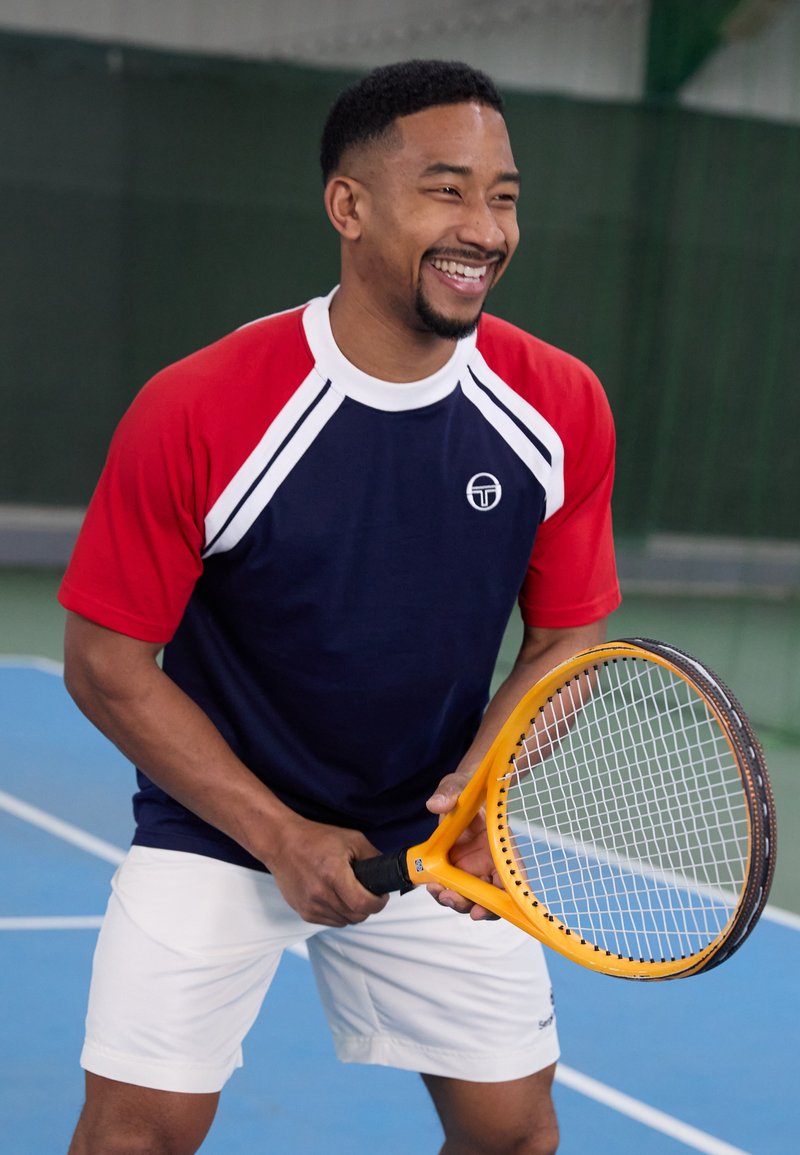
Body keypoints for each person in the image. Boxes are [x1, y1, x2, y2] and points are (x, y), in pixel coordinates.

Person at [60, 59, 620, 1155]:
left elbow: (567, 635)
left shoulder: (558, 404)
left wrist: (478, 791)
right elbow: (107, 664)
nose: (484, 228)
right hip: (219, 827)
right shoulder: (200, 407)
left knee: (514, 1132)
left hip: (427, 832)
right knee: (135, 1137)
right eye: (445, 190)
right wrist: (277, 833)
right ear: (348, 207)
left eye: (503, 196)